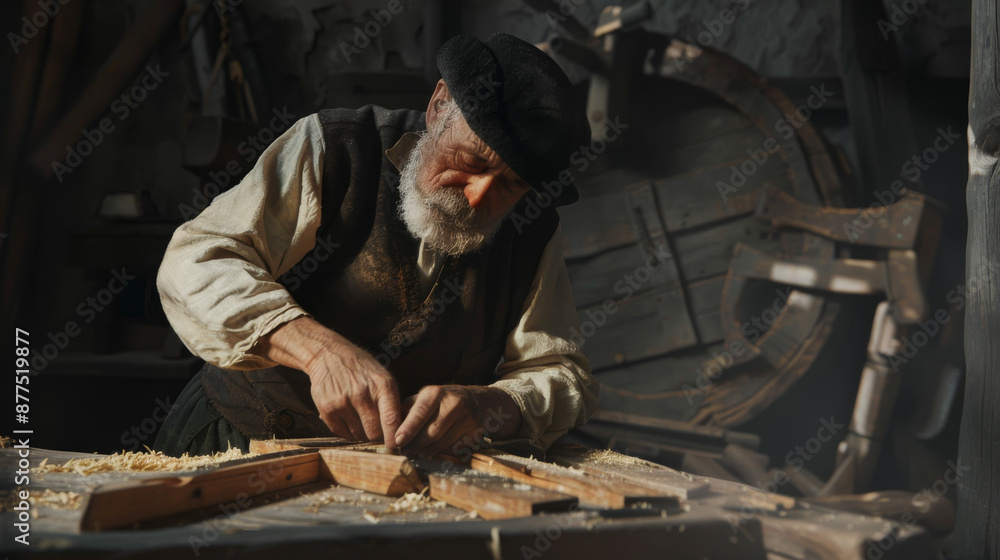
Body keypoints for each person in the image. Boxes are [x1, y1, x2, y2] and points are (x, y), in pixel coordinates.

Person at [152, 33, 599, 459]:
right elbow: (197, 258)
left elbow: (561, 372)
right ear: (438, 105)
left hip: (402, 472)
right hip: (239, 440)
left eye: (512, 184)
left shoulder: (533, 227)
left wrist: (493, 408)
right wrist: (317, 351)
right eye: (470, 162)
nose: (479, 196)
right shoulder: (335, 148)